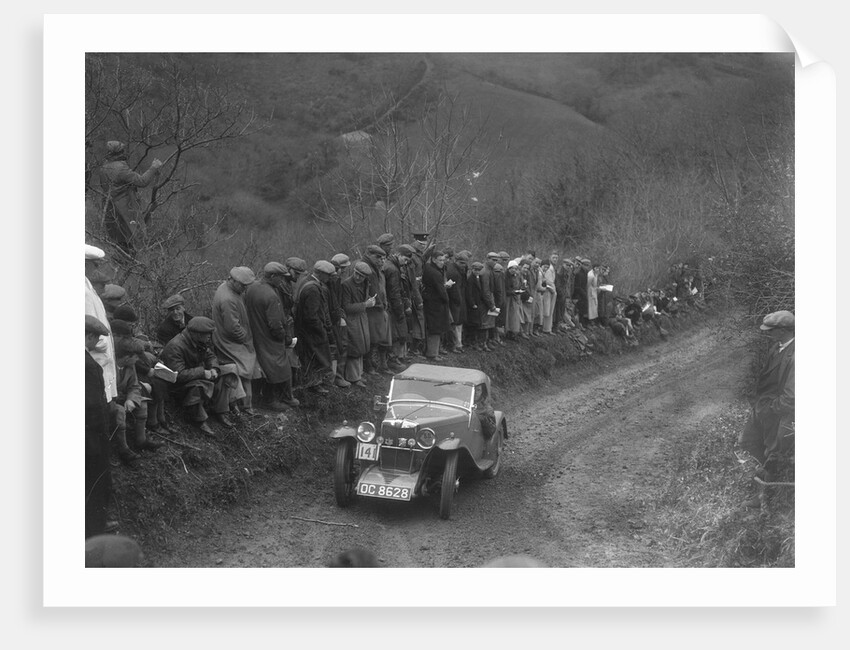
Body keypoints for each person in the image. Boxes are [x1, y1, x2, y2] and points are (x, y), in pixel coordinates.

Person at [739, 310, 795, 506]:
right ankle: (767, 474)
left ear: (782, 330)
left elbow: (791, 397)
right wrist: (759, 405)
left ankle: (766, 497)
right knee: (747, 441)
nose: (767, 333)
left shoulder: (797, 354)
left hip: (782, 412)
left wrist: (771, 410)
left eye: (771, 330)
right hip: (765, 407)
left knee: (774, 452)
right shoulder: (777, 348)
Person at [160, 316, 239, 436]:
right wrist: (202, 372)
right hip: (179, 386)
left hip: (193, 376)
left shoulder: (198, 341)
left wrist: (214, 368)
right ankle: (200, 421)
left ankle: (221, 411)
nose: (209, 336)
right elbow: (178, 375)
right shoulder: (175, 346)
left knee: (225, 375)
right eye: (207, 334)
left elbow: (211, 356)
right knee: (197, 387)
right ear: (197, 334)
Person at [243, 262, 299, 410]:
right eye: (280, 277)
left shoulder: (252, 287)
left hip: (255, 334)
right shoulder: (271, 295)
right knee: (277, 367)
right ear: (273, 276)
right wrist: (284, 337)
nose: (282, 281)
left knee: (264, 366)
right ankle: (272, 399)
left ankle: (266, 397)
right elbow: (275, 324)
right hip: (269, 337)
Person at [97, 140, 163, 251]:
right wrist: (154, 167)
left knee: (119, 243)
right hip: (125, 210)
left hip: (110, 210)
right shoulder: (120, 168)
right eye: (122, 150)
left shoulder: (103, 167)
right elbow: (142, 182)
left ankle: (122, 261)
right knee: (134, 240)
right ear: (118, 152)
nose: (124, 152)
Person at [85, 315, 116, 538]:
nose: (97, 342)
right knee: (96, 482)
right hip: (91, 436)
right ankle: (94, 529)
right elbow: (93, 405)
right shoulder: (87, 365)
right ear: (89, 336)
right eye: (96, 338)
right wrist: (102, 433)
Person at [212, 266, 258, 415]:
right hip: (230, 341)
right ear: (233, 280)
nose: (245, 289)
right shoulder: (228, 299)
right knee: (244, 367)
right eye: (243, 285)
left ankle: (243, 405)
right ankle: (245, 406)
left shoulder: (228, 288)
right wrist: (245, 338)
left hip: (231, 338)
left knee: (245, 367)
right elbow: (232, 328)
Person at [293, 261, 336, 394]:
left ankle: (312, 384)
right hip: (310, 331)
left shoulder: (306, 282)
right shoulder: (313, 288)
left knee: (311, 358)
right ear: (321, 274)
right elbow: (311, 315)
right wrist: (321, 330)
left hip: (305, 330)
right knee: (314, 358)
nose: (329, 278)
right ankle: (313, 385)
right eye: (328, 275)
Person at [340, 262, 376, 387]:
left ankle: (358, 374)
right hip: (351, 320)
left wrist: (370, 301)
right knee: (354, 347)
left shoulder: (365, 283)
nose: (357, 277)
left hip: (361, 318)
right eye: (356, 273)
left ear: (365, 277)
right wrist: (365, 305)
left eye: (361, 276)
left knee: (362, 346)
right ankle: (353, 377)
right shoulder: (346, 285)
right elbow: (346, 307)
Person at [421, 250, 451, 361]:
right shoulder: (435, 273)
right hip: (435, 304)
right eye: (440, 260)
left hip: (430, 301)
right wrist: (446, 299)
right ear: (433, 259)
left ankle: (434, 352)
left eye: (443, 260)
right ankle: (432, 354)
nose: (442, 262)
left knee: (433, 328)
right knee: (435, 329)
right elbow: (441, 291)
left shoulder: (428, 268)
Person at [328, 254, 352, 388]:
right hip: (331, 321)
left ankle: (339, 376)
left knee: (342, 346)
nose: (343, 271)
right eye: (342, 269)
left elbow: (338, 302)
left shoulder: (337, 281)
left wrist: (341, 315)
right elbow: (332, 303)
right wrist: (339, 317)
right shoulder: (331, 281)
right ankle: (335, 378)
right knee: (336, 348)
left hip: (337, 318)